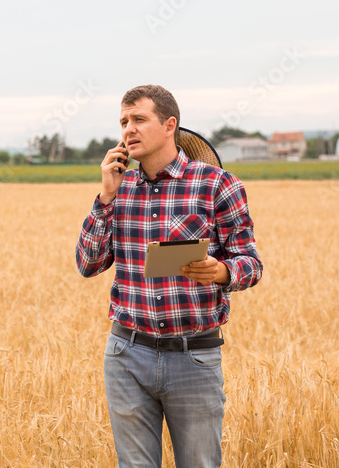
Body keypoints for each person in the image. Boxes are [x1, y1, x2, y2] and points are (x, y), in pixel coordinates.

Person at [75, 84, 263, 468]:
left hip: (193, 355)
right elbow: (87, 263)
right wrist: (105, 198)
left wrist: (222, 271)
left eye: (139, 120)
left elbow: (251, 262)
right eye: (124, 121)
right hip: (126, 353)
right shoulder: (119, 189)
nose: (128, 129)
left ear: (169, 125)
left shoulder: (217, 185)